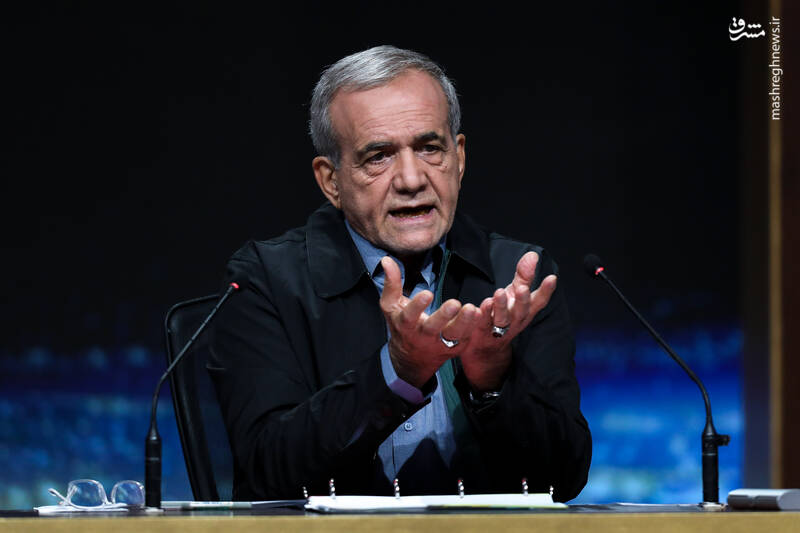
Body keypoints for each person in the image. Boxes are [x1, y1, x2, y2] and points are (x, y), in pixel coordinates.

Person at [209, 45, 591, 501]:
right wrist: (398, 373)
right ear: (331, 180)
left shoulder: (517, 278)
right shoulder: (264, 281)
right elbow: (265, 474)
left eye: (430, 148)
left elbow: (564, 477)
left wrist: (493, 378)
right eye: (379, 156)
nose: (411, 180)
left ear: (459, 158)